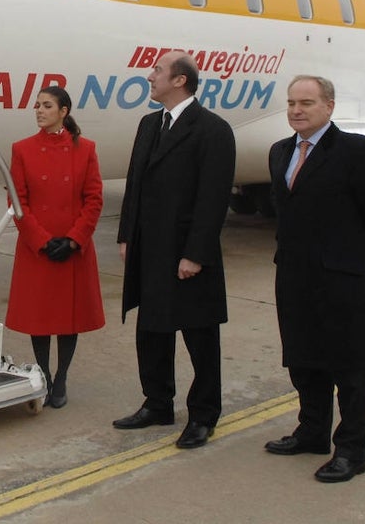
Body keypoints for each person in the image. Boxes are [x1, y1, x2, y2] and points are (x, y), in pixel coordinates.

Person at [264, 75, 365, 483]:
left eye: (306, 102)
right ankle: (312, 432)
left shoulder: (357, 151)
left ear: (329, 106)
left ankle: (351, 450)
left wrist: (353, 259)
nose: (296, 110)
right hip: (294, 275)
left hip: (343, 278)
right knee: (304, 359)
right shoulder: (280, 152)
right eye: (291, 103)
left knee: (351, 367)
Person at [112, 50, 236, 449]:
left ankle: (203, 414)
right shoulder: (150, 124)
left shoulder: (212, 130)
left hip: (186, 253)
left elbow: (213, 198)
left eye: (158, 71)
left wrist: (195, 254)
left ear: (180, 80)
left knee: (199, 335)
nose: (150, 76)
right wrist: (126, 237)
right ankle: (157, 402)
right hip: (150, 250)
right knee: (151, 330)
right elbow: (135, 185)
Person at [5, 86, 105, 408]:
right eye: (37, 105)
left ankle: (61, 377)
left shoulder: (86, 149)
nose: (39, 110)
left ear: (63, 111)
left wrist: (75, 239)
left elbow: (93, 199)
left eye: (46, 105)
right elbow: (17, 201)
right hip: (39, 249)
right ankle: (45, 375)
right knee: (41, 318)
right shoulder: (21, 149)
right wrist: (42, 240)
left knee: (67, 318)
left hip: (73, 247)